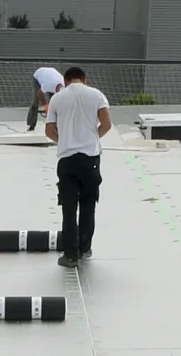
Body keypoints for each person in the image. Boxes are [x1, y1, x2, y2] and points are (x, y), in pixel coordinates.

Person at [43, 66, 110, 268]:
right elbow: (106, 124)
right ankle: (85, 248)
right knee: (89, 204)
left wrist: (62, 140)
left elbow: (48, 130)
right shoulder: (97, 95)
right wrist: (92, 138)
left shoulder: (57, 98)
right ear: (84, 79)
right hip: (90, 158)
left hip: (67, 159)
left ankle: (70, 255)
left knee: (69, 208)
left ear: (65, 81)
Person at [28, 67, 64, 132]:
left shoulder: (65, 85)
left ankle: (55, 125)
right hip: (38, 76)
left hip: (51, 74)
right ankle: (31, 125)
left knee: (54, 106)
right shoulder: (48, 85)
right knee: (35, 102)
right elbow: (39, 94)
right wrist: (45, 105)